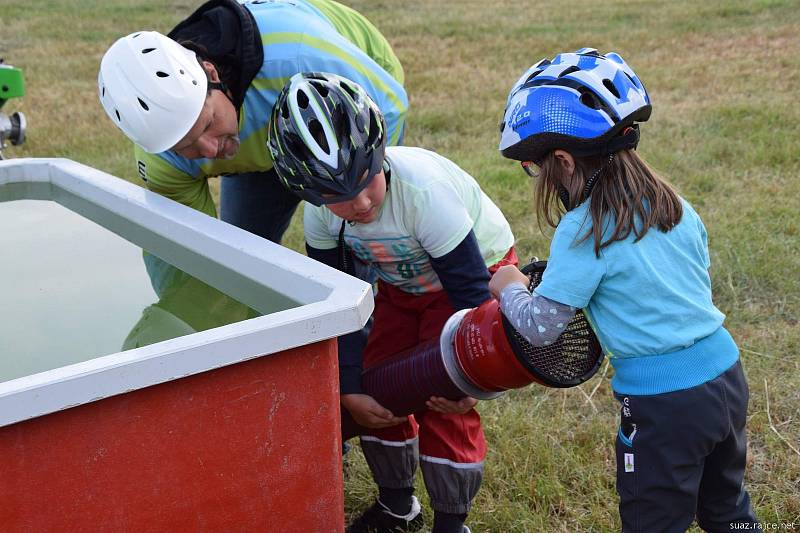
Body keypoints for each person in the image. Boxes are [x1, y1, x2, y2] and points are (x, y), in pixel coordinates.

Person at [489, 48, 759, 532]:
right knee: (727, 510)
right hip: (726, 375)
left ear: (564, 161)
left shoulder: (582, 229)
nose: (536, 177)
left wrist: (508, 285)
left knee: (652, 521)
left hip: (663, 403)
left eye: (534, 166)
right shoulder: (674, 202)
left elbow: (542, 327)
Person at [268, 72, 516, 533]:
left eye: (367, 180)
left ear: (381, 155)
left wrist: (474, 381)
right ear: (308, 195)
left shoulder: (423, 195)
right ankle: (400, 507)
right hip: (405, 285)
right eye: (335, 197)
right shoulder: (320, 221)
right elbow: (338, 307)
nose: (359, 202)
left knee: (440, 392)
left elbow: (471, 298)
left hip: (472, 277)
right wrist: (349, 384)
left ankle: (451, 521)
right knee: (376, 382)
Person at [97, 0, 407, 247]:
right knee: (246, 251)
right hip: (256, 129)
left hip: (350, 97)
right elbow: (185, 252)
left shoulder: (297, 54)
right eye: (186, 146)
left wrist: (353, 192)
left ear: (212, 74)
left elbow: (390, 107)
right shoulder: (163, 160)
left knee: (359, 236)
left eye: (206, 124)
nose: (209, 148)